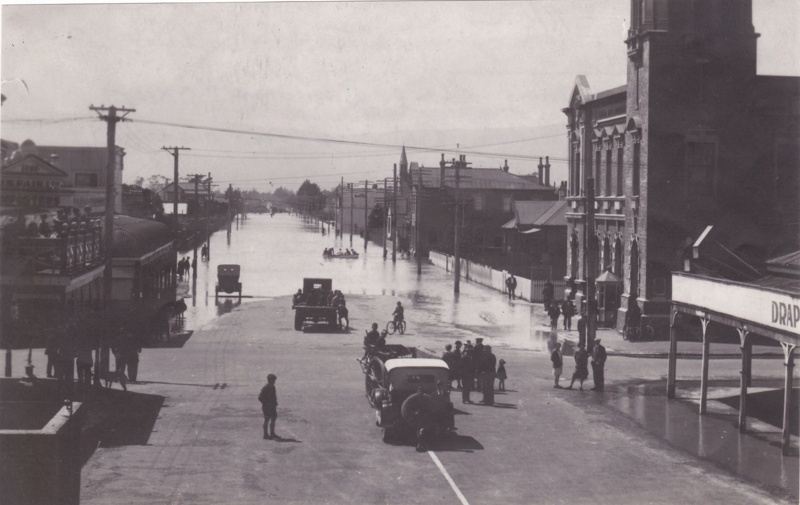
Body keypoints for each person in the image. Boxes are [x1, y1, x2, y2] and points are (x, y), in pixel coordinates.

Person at [258, 374, 279, 439]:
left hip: (272, 407)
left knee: (273, 419)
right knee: (267, 420)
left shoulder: (273, 387)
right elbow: (260, 398)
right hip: (266, 407)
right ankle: (265, 434)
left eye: (274, 380)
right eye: (272, 380)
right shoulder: (265, 388)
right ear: (269, 380)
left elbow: (274, 397)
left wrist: (275, 404)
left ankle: (272, 433)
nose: (273, 382)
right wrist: (266, 403)